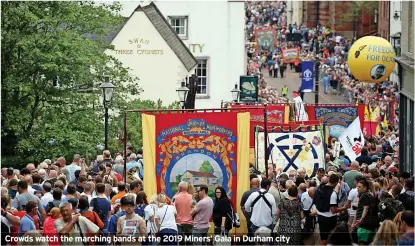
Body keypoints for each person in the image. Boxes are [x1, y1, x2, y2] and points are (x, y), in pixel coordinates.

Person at [315, 174, 348, 246]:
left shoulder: (319, 188)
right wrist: (344, 208)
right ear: (336, 183)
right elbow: (333, 210)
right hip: (329, 218)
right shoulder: (333, 194)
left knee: (323, 238)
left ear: (329, 180)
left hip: (320, 216)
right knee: (331, 238)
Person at [352, 178, 379, 245]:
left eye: (359, 187)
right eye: (357, 186)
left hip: (364, 225)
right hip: (371, 224)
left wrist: (361, 219)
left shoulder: (364, 195)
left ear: (365, 187)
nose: (357, 188)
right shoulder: (371, 195)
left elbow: (365, 208)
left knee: (362, 243)